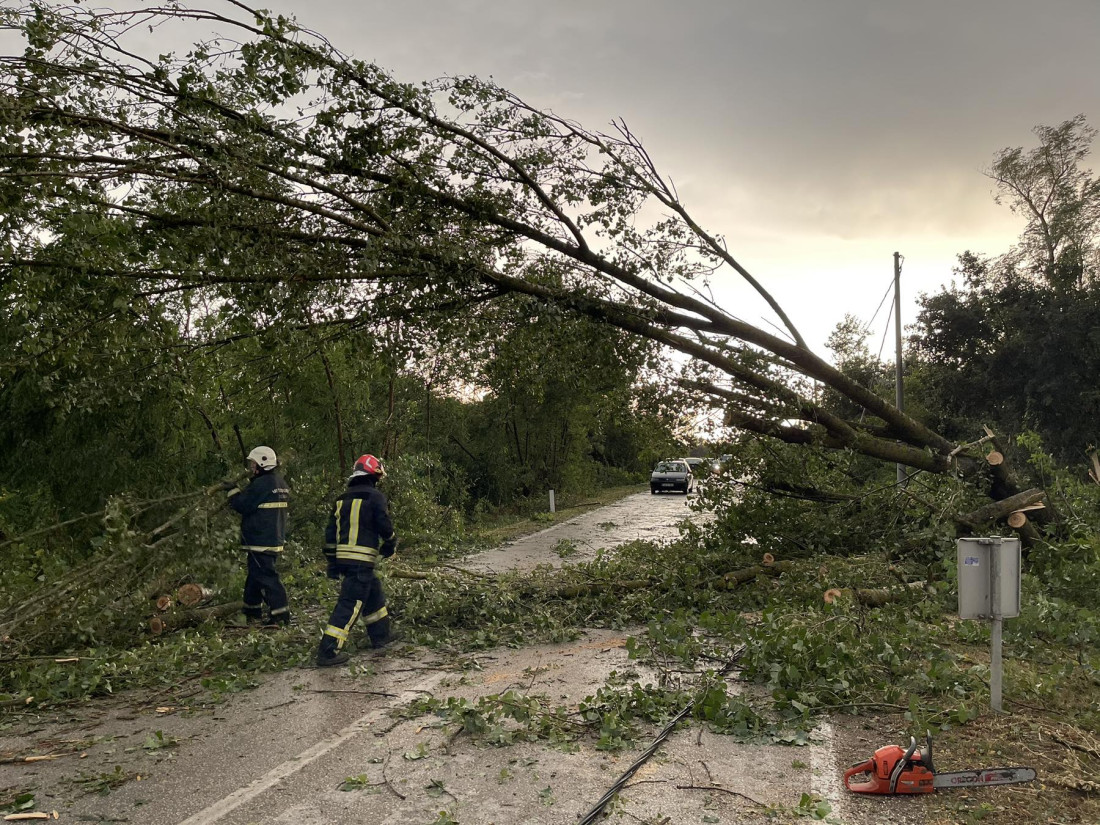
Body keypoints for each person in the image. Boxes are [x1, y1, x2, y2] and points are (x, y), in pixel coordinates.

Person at [316, 453, 399, 667]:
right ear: (374, 475)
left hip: (345, 560)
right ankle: (328, 650)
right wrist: (390, 542)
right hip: (362, 560)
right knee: (350, 604)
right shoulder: (375, 497)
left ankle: (380, 636)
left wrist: (332, 563)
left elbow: (329, 533)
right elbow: (383, 523)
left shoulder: (341, 500)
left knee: (373, 591)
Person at [221, 446, 291, 626]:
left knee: (267, 577)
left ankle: (281, 614)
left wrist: (232, 490)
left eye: (253, 464)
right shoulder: (279, 483)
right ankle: (251, 612)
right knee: (254, 576)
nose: (251, 468)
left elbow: (242, 505)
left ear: (262, 463)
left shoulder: (261, 485)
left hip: (261, 540)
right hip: (272, 538)